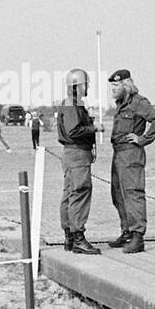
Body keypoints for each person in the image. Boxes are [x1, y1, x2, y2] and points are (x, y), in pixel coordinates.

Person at [106, 69, 155, 254]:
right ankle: (127, 232)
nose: (112, 89)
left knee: (132, 194)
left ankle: (138, 237)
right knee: (118, 195)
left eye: (115, 85)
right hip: (119, 154)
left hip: (131, 154)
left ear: (125, 84)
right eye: (111, 86)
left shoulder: (138, 102)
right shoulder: (121, 103)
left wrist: (143, 139)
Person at [57, 69, 100, 254]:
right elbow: (74, 131)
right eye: (86, 84)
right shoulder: (72, 105)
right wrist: (94, 128)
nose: (87, 87)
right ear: (79, 86)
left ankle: (69, 237)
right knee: (80, 193)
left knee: (70, 194)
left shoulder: (71, 104)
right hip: (77, 155)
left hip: (72, 154)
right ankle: (78, 238)